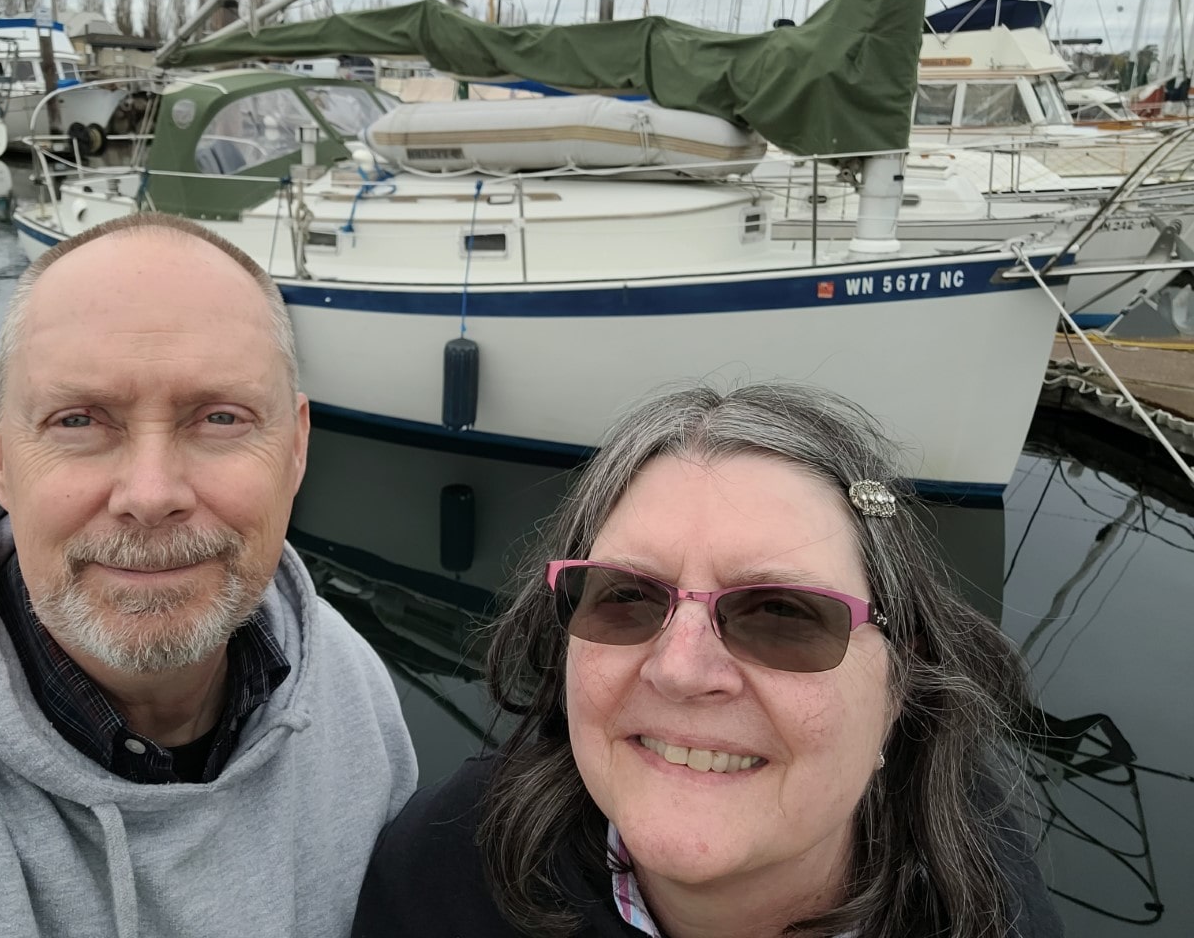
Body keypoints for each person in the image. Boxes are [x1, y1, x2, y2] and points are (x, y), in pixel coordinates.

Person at [0, 213, 417, 936]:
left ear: (296, 450)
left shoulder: (348, 683)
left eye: (220, 418)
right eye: (78, 421)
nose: (150, 494)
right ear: (0, 457)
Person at [354, 384, 1065, 938]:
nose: (681, 670)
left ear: (899, 683)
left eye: (781, 613)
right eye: (626, 598)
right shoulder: (444, 872)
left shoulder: (987, 899)